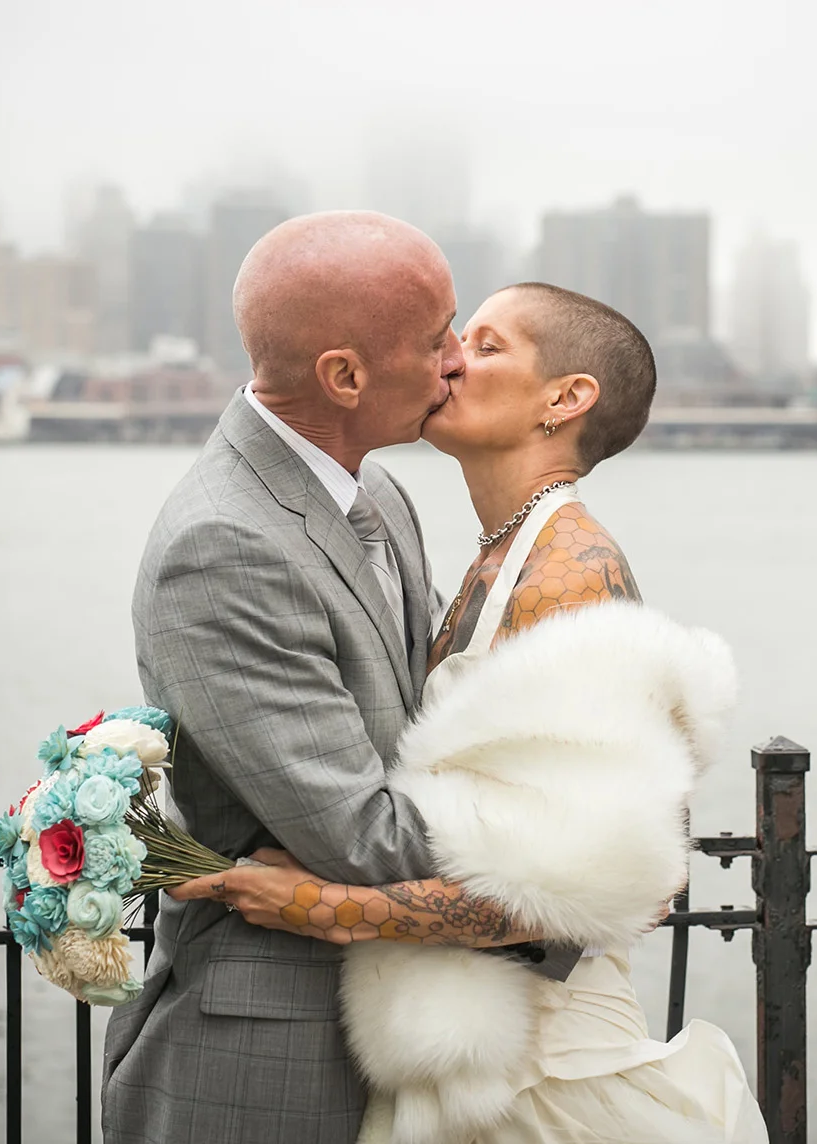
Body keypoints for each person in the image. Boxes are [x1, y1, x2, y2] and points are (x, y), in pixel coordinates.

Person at [174, 283, 764, 1144]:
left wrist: (319, 906)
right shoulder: (496, 552)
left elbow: (602, 893)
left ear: (566, 398)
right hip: (466, 1059)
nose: (451, 360)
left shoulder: (570, 574)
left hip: (541, 1068)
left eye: (486, 347)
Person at [101, 213, 577, 1144]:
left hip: (407, 1033)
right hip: (272, 1059)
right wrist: (574, 857)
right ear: (345, 377)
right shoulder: (223, 545)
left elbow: (438, 721)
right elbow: (364, 839)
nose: (456, 360)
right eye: (435, 338)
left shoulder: (379, 493)